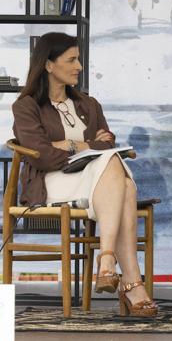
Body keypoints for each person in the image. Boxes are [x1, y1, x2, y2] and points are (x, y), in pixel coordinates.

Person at [12, 32, 157, 317]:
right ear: (49, 65)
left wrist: (72, 145)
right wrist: (83, 147)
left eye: (79, 59)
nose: (79, 66)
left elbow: (107, 143)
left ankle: (108, 265)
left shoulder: (88, 105)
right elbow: (40, 154)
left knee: (116, 171)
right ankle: (128, 281)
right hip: (51, 183)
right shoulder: (26, 106)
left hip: (92, 180)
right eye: (72, 60)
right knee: (121, 180)